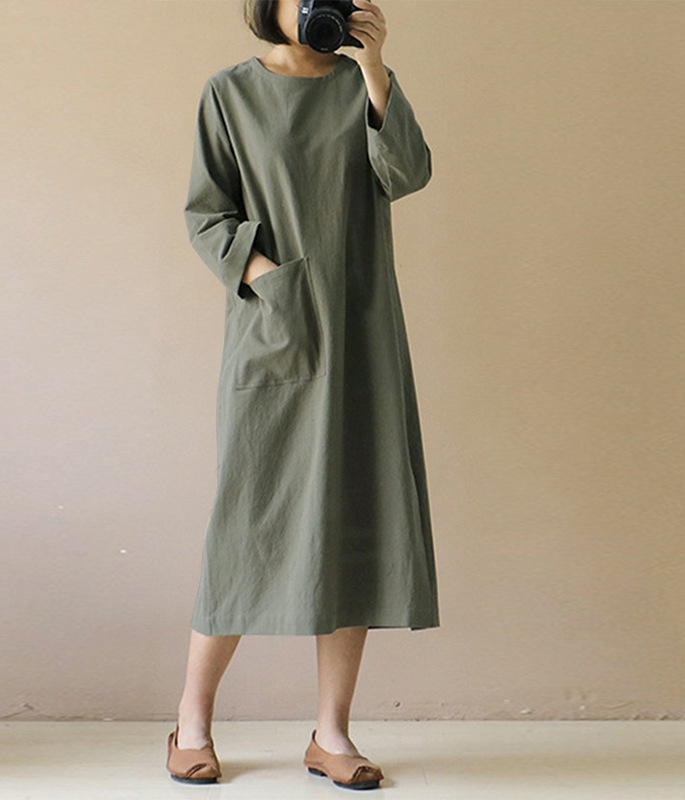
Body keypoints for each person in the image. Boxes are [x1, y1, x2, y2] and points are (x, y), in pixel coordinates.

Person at [168, 0, 440, 788]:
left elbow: (407, 173)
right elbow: (206, 213)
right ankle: (191, 722)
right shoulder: (230, 92)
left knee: (354, 521)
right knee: (247, 524)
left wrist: (375, 68)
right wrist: (270, 281)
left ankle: (331, 735)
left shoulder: (362, 87)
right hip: (277, 332)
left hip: (361, 335)